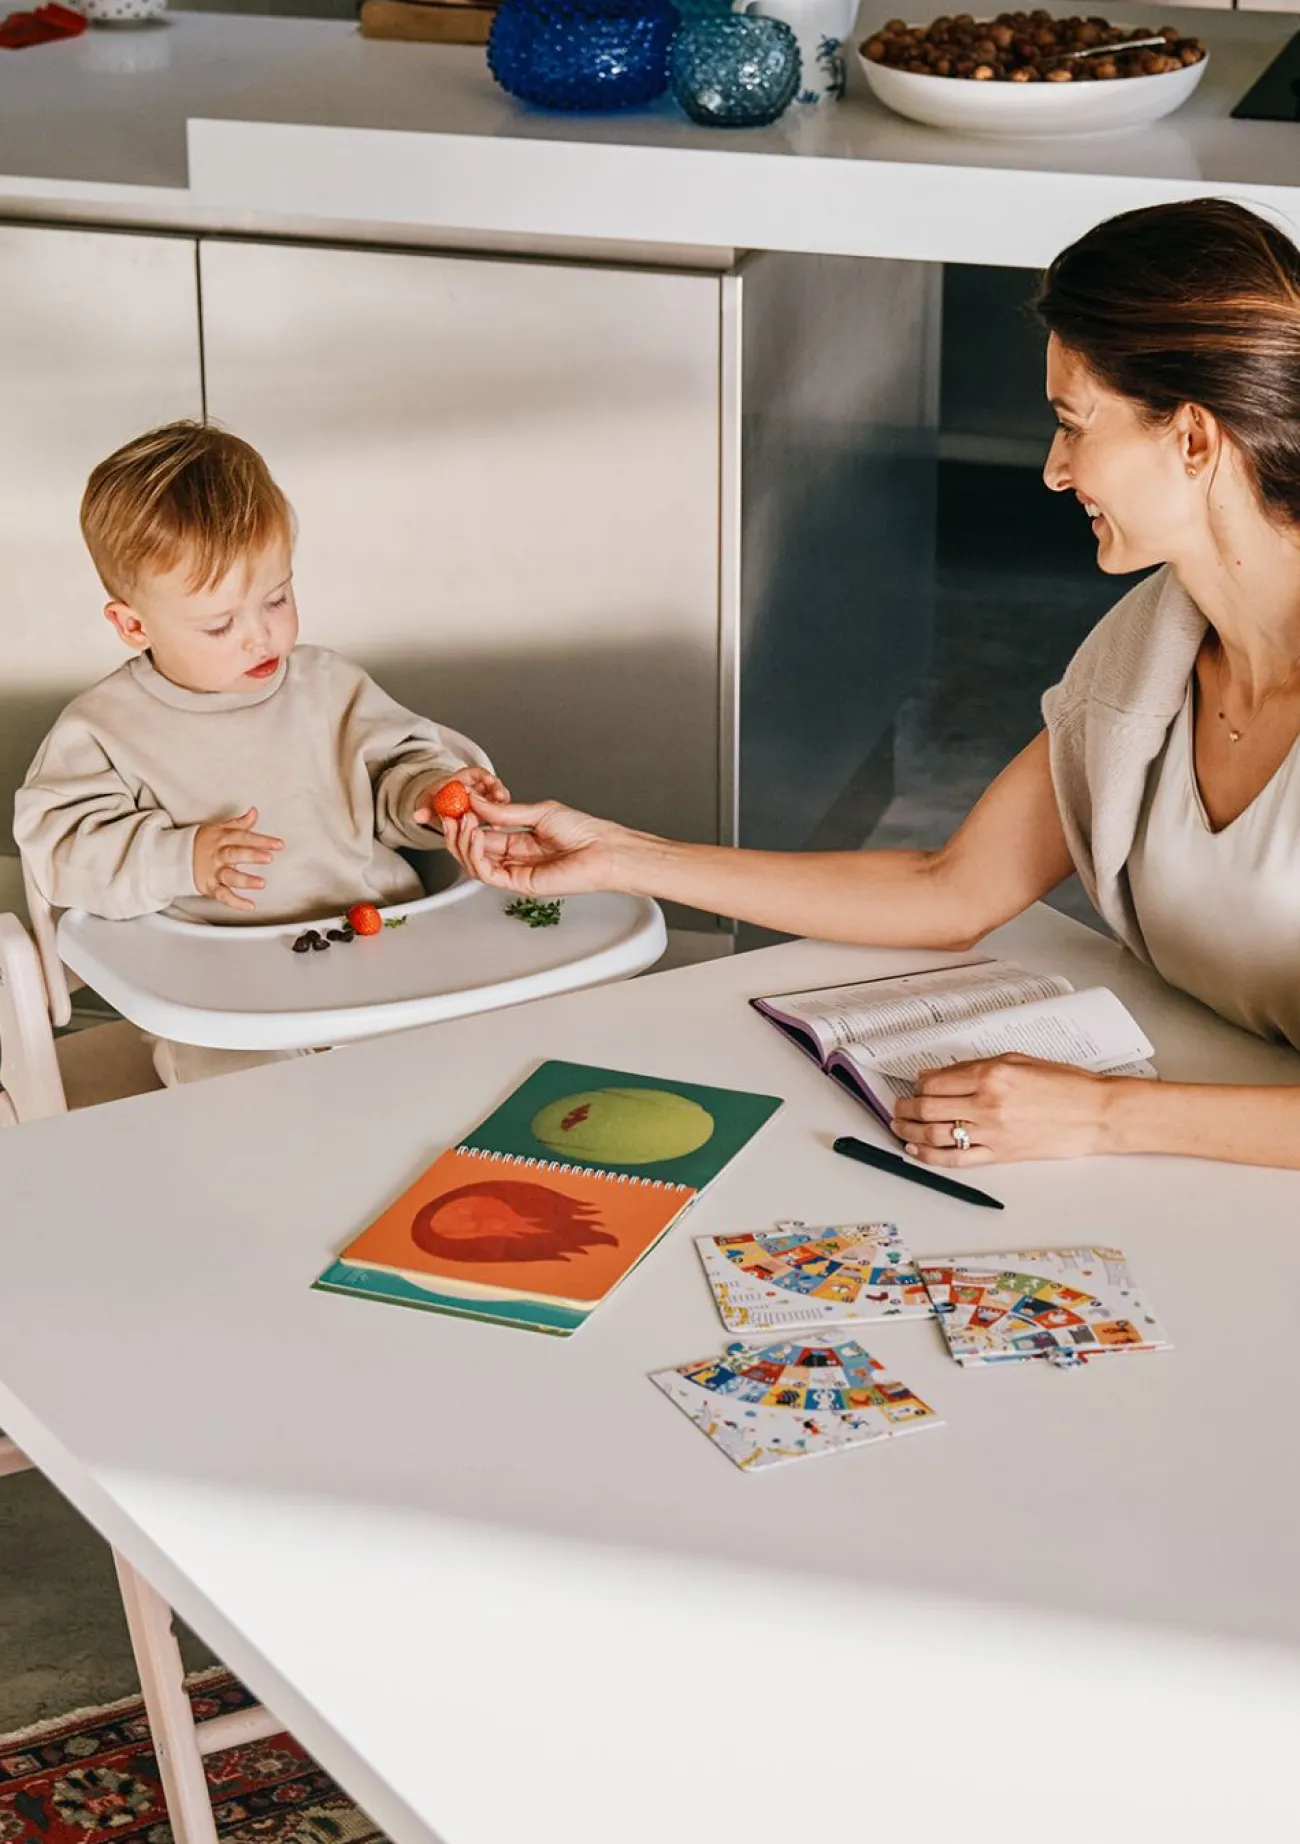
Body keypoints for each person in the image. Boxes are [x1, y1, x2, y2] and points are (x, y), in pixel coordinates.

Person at [443, 198, 1300, 1172]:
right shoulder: (1149, 649)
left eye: (1072, 424)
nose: (1055, 471)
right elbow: (951, 888)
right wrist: (623, 855)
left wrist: (1101, 1117)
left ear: (1193, 439)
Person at [13, 421, 506, 1085]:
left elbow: (398, 765)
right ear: (133, 624)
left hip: (385, 954)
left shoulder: (328, 687)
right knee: (243, 1101)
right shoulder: (104, 730)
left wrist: (426, 797)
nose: (261, 636)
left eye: (277, 598)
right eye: (220, 624)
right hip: (218, 991)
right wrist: (182, 857)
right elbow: (61, 849)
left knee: (463, 1070)